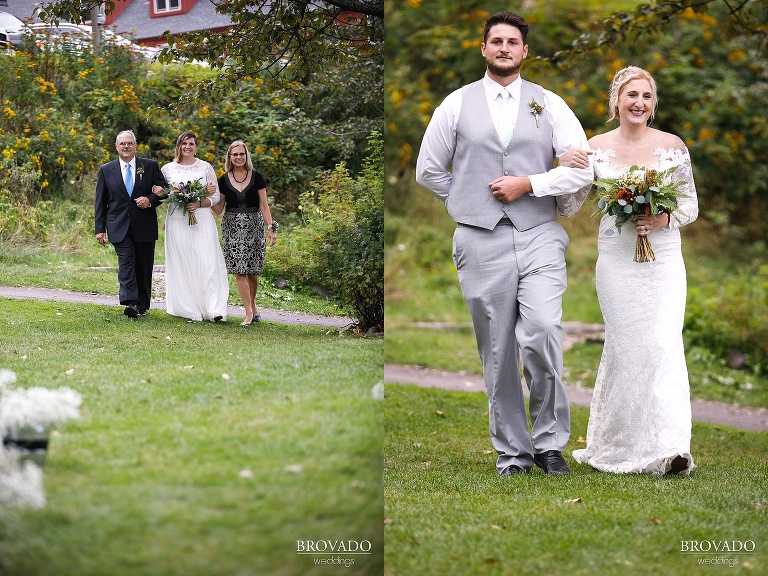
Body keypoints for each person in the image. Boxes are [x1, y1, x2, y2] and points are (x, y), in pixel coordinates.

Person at [415, 11, 593, 476]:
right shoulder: (456, 104)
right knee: (497, 350)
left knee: (543, 332)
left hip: (539, 234)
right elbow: (428, 170)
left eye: (512, 42)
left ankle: (550, 443)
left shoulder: (549, 104)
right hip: (478, 240)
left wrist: (529, 184)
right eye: (496, 41)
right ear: (484, 49)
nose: (504, 48)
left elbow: (582, 169)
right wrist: (467, 198)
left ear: (524, 51)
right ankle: (513, 453)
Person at [561, 66, 699, 475]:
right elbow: (568, 206)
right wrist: (565, 164)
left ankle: (671, 447)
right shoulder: (595, 148)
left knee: (663, 345)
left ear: (653, 104)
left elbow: (690, 205)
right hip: (617, 262)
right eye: (631, 95)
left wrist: (661, 219)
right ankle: (619, 443)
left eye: (646, 96)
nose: (639, 103)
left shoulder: (672, 146)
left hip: (664, 261)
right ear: (617, 102)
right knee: (627, 348)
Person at [95, 130, 167, 318]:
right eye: (122, 143)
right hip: (118, 225)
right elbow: (100, 201)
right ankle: (131, 303)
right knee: (126, 263)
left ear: (135, 146)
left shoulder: (149, 166)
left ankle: (142, 305)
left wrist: (150, 200)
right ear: (116, 147)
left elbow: (164, 191)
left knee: (144, 265)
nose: (126, 146)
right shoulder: (106, 170)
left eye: (129, 143)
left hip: (144, 224)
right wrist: (99, 229)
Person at [161, 131, 229, 323]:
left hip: (202, 219)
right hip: (178, 220)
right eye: (184, 144)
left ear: (196, 146)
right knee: (183, 261)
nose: (188, 147)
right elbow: (162, 193)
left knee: (207, 261)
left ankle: (213, 308)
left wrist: (199, 203)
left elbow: (215, 196)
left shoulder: (205, 167)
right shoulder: (167, 169)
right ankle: (188, 307)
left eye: (191, 143)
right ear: (178, 146)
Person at [212, 141, 277, 326]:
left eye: (242, 154)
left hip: (254, 226)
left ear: (246, 156)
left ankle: (253, 304)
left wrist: (271, 228)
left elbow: (264, 205)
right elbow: (218, 209)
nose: (239, 157)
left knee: (253, 271)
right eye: (235, 154)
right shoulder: (223, 180)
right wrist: (204, 198)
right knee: (239, 271)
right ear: (229, 157)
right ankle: (248, 312)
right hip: (231, 227)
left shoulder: (257, 177)